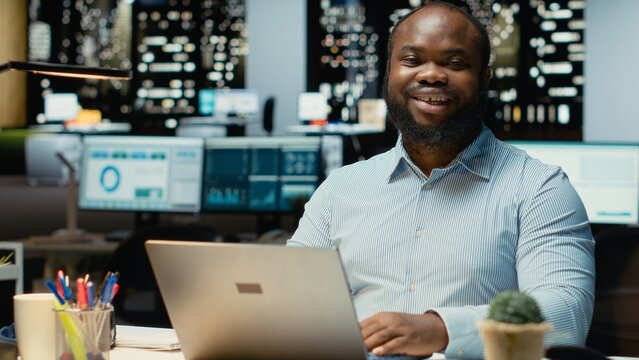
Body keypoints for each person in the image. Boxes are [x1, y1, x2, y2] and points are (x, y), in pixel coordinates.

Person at [288, 1, 595, 359]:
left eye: (455, 63)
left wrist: (443, 330)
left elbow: (566, 316)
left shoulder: (539, 188)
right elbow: (289, 297)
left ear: (485, 78)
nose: (431, 75)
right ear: (389, 71)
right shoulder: (341, 189)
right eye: (413, 60)